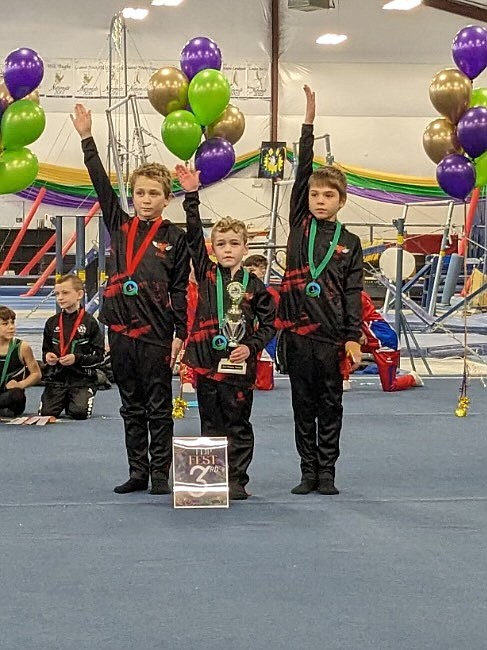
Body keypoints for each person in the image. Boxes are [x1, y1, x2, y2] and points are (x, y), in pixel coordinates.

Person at [71, 104, 190, 495]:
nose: (145, 199)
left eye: (154, 193)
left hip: (157, 333)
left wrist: (181, 332)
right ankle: (138, 472)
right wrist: (88, 138)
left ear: (166, 198)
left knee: (159, 405)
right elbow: (101, 184)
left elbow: (178, 288)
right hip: (121, 331)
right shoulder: (119, 225)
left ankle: (161, 475)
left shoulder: (175, 237)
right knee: (130, 405)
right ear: (132, 195)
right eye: (139, 192)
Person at [276, 85, 363, 496]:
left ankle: (327, 471)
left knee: (330, 406)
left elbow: (352, 292)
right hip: (296, 333)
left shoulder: (350, 241)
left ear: (341, 201)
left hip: (330, 338)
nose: (320, 200)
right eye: (315, 194)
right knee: (300, 406)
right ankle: (306, 470)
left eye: (329, 195)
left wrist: (353, 337)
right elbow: (301, 168)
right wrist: (307, 123)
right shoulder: (299, 224)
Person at [175, 164, 276, 501]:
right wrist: (192, 195)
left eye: (234, 243)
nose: (228, 249)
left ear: (245, 248)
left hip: (238, 368)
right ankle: (210, 482)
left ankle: (237, 480)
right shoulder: (205, 274)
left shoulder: (257, 286)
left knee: (238, 424)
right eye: (221, 244)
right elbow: (192, 236)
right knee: (210, 425)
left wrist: (251, 346)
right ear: (213, 249)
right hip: (206, 363)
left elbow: (271, 324)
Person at [39, 274, 105, 420]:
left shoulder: (90, 323)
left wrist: (77, 358)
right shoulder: (52, 323)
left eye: (65, 293)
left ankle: (81, 395)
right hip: (57, 379)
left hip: (82, 379)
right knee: (46, 414)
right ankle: (63, 397)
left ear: (79, 294)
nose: (60, 297)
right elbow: (45, 350)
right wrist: (48, 357)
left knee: (78, 413)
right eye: (57, 294)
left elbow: (100, 357)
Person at [341, 290, 424, 392]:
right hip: (367, 339)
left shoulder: (357, 297)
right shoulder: (347, 295)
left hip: (385, 342)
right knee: (338, 343)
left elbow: (351, 321)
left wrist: (358, 333)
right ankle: (343, 379)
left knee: (389, 386)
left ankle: (412, 378)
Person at [243, 254, 279, 390]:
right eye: (246, 271)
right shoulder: (241, 290)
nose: (249, 275)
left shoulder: (270, 292)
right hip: (248, 333)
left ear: (263, 271)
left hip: (264, 333)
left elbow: (273, 316)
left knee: (264, 384)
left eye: (252, 271)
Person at [0, 305, 42, 417]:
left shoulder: (22, 347)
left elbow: (36, 374)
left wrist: (20, 384)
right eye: (5, 324)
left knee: (17, 395)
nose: (11, 327)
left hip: (10, 396)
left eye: (12, 323)